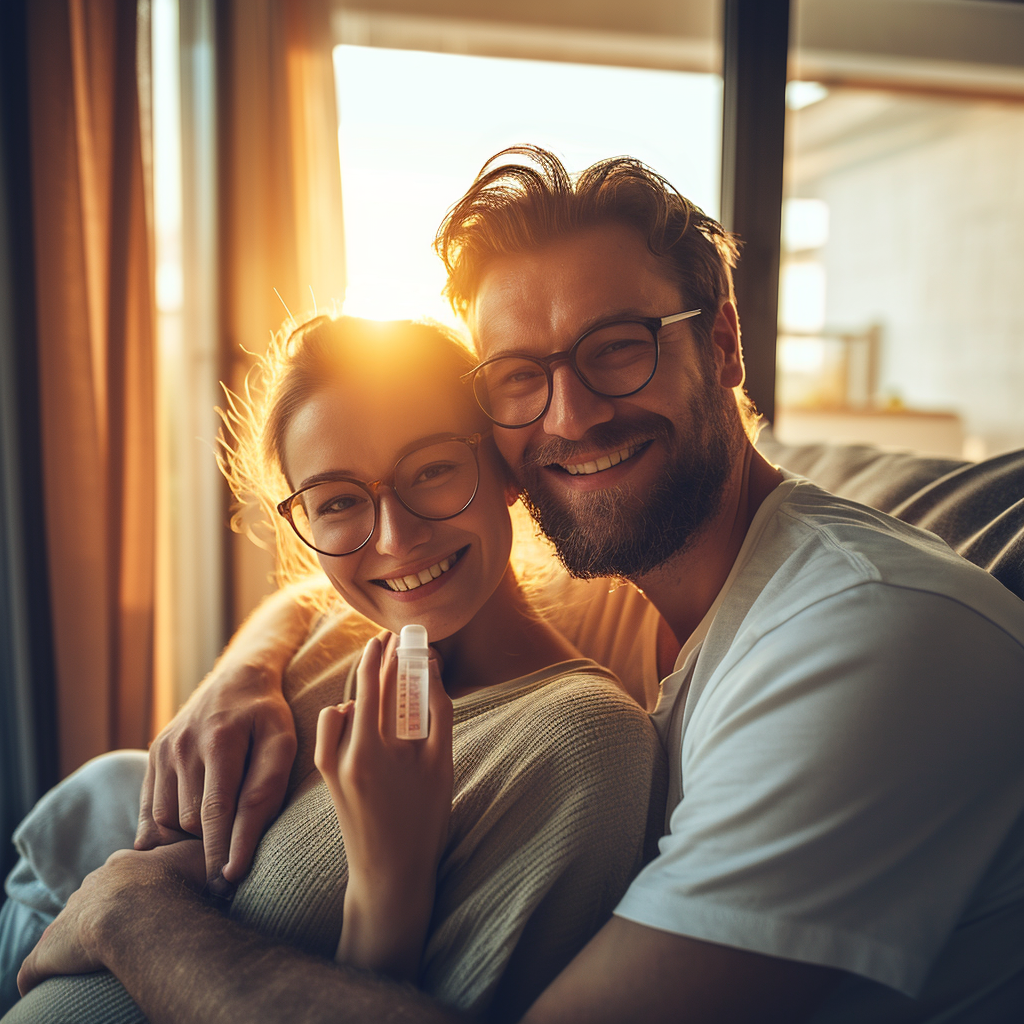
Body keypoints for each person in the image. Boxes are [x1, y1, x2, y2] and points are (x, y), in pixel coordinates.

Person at [15, 146, 1024, 1022]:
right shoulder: (634, 579)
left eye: (617, 349)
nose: (571, 416)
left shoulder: (865, 640)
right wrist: (247, 666)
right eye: (517, 376)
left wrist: (131, 913)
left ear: (722, 343)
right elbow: (394, 570)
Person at [4, 314, 664, 1021]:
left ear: (504, 468)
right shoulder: (332, 628)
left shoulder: (586, 738)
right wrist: (243, 668)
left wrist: (390, 878)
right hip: (42, 898)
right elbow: (307, 597)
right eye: (340, 502)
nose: (396, 539)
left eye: (434, 468)